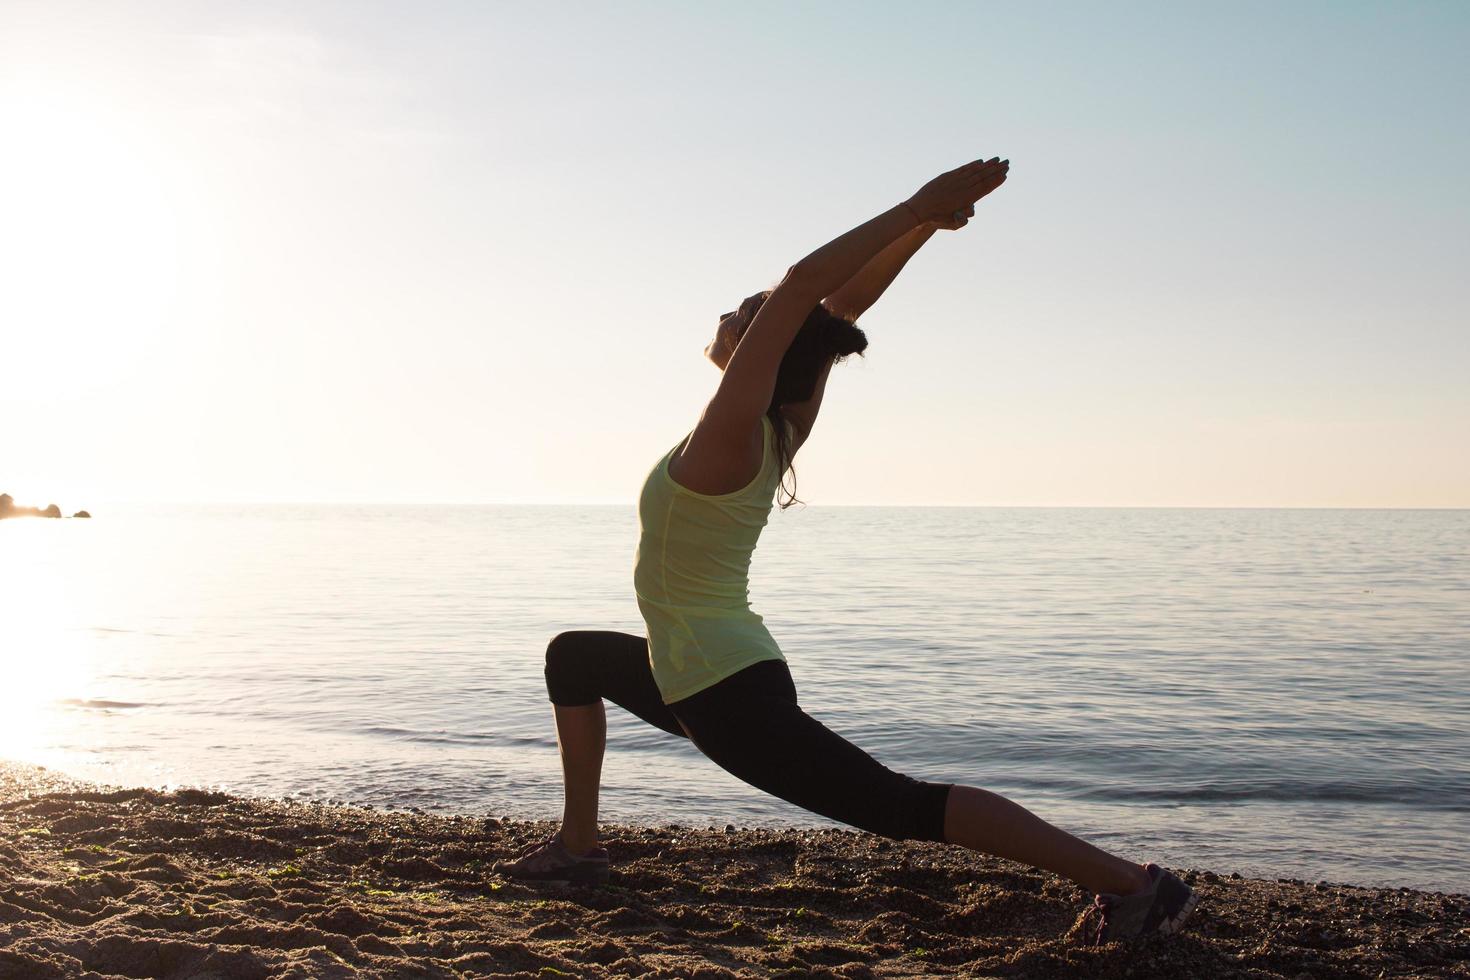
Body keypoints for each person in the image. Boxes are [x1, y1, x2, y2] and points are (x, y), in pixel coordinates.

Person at [494, 158, 1198, 942]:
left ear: (761, 345)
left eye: (742, 315)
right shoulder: (778, 427)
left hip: (722, 692)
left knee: (900, 806)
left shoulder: (731, 430)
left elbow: (803, 290)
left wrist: (912, 206)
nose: (727, 317)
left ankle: (1136, 886)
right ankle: (580, 843)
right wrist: (924, 228)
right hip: (701, 665)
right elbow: (833, 308)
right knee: (575, 658)